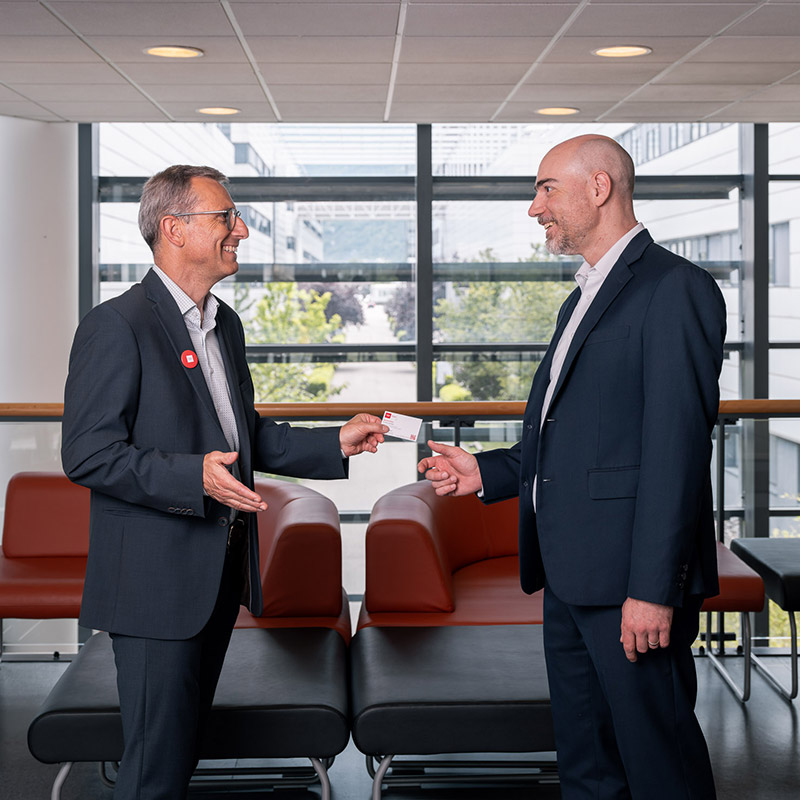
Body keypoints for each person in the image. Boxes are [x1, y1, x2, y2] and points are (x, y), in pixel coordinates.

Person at [61, 164, 386, 800]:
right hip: (154, 587)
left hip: (214, 576)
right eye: (226, 217)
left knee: (179, 755)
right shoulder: (117, 325)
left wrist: (332, 442)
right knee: (154, 767)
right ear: (173, 229)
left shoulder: (222, 323)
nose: (240, 229)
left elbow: (243, 435)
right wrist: (194, 477)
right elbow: (88, 454)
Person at [418, 135, 724, 799]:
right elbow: (570, 436)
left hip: (630, 588)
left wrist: (652, 589)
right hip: (570, 577)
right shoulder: (583, 295)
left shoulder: (675, 289)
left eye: (546, 188)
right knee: (586, 767)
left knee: (657, 765)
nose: (535, 208)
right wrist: (484, 473)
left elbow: (676, 452)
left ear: (599, 188)